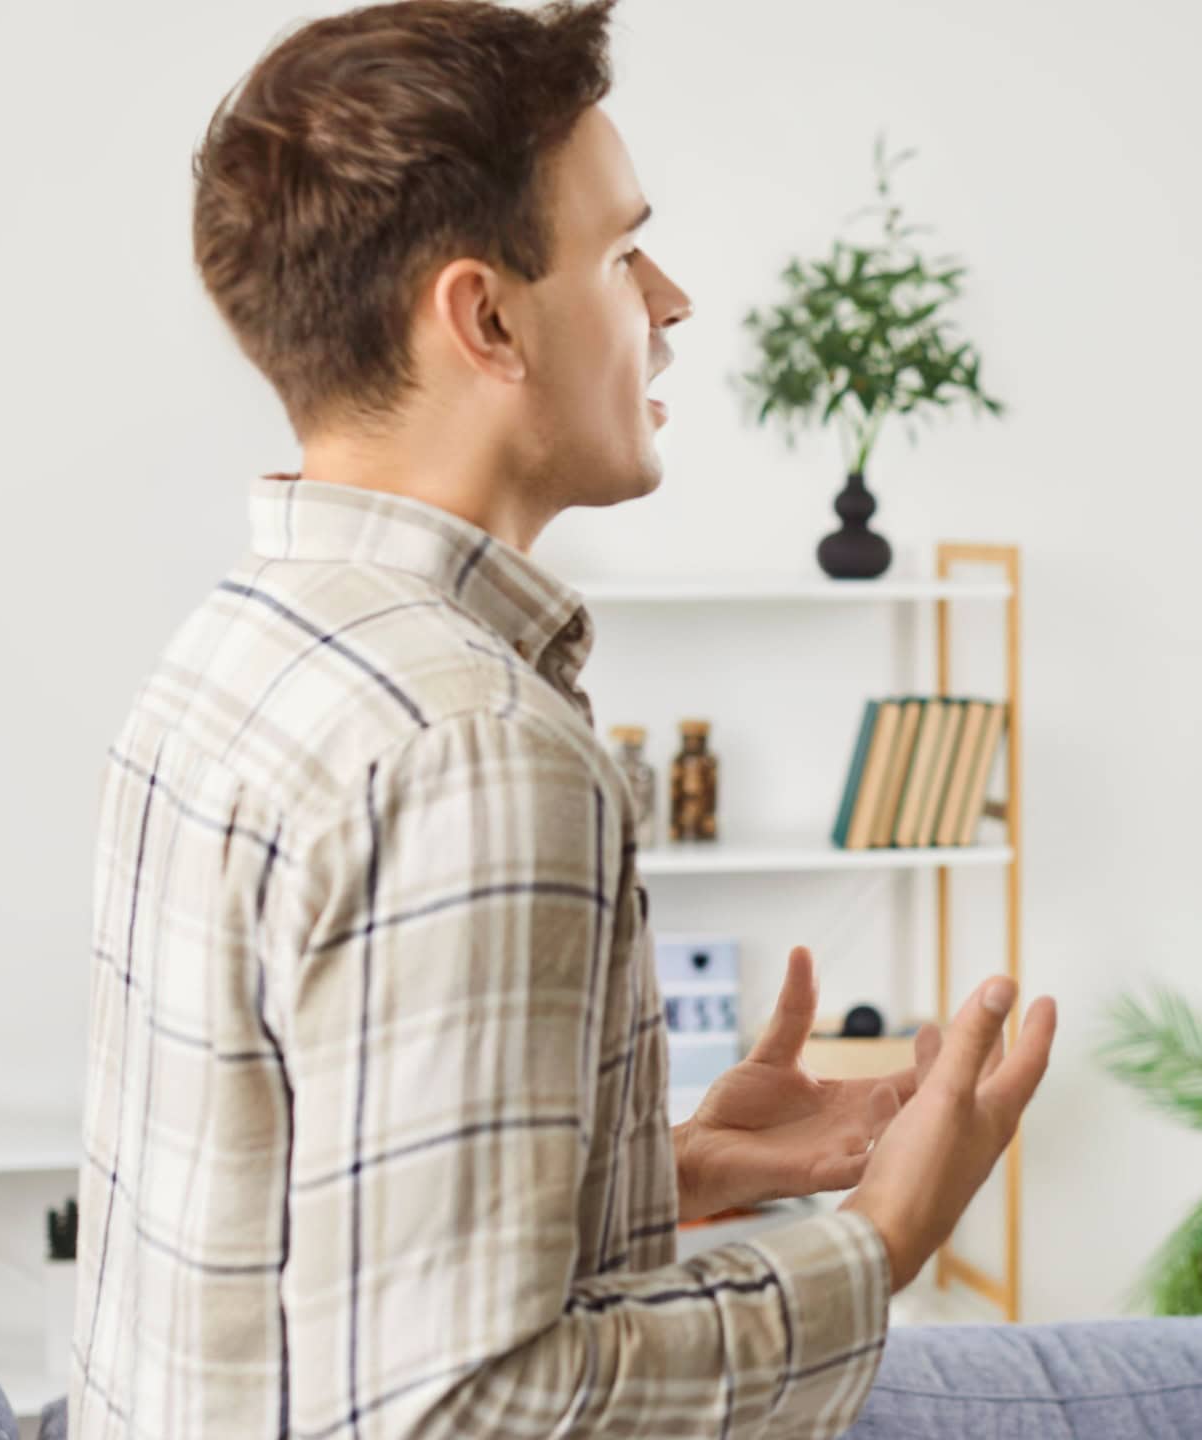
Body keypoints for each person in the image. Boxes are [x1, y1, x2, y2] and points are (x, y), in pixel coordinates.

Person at [72, 4, 1053, 1435]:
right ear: (486, 318)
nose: (669, 301)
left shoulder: (234, 654)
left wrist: (664, 1168)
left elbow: (302, 1243)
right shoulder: (473, 746)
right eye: (617, 253)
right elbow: (464, 1412)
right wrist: (884, 1236)